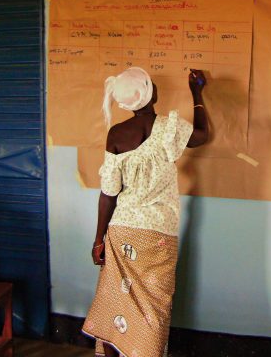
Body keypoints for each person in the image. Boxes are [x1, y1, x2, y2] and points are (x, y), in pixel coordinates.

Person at [81, 67, 208, 357]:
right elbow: (202, 135)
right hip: (158, 236)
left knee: (116, 305)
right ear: (152, 94)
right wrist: (197, 93)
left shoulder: (116, 134)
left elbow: (108, 193)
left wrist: (99, 239)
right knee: (154, 310)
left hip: (122, 231)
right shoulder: (169, 128)